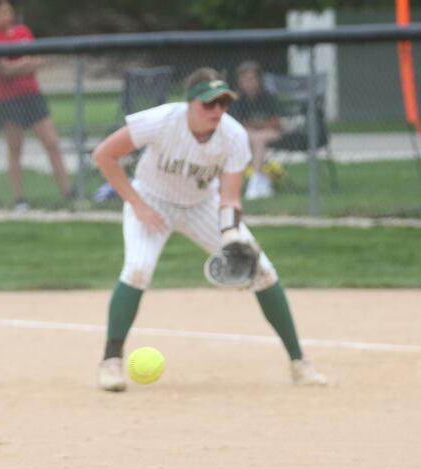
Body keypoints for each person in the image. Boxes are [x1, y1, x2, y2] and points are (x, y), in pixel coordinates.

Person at [94, 67, 328, 392]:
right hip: (151, 200)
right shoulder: (162, 120)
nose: (217, 111)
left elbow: (230, 197)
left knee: (263, 272)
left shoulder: (233, 136)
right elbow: (105, 154)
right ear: (190, 103)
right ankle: (111, 362)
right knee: (137, 270)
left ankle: (300, 364)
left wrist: (231, 236)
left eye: (223, 103)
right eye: (208, 104)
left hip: (203, 206)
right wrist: (137, 204)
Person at [0, 0, 73, 211]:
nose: (6, 14)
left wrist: (18, 64)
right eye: (1, 11)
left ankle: (68, 192)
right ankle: (20, 199)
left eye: (9, 10)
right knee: (15, 149)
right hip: (9, 100)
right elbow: (4, 69)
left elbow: (38, 60)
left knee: (52, 143)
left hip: (32, 96)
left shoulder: (24, 31)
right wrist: (24, 63)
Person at [228, 61, 283, 200]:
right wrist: (257, 125)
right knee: (251, 137)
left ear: (258, 80)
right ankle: (261, 181)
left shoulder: (268, 96)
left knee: (258, 138)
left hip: (271, 133)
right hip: (249, 133)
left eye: (251, 79)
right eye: (244, 79)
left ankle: (254, 181)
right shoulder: (238, 99)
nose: (248, 83)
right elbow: (237, 124)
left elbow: (276, 122)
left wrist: (257, 124)